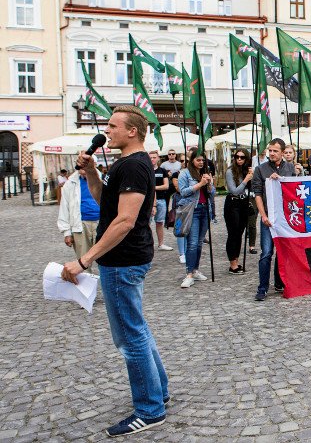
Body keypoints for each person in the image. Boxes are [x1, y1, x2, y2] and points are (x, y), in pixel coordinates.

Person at [60, 105, 168, 436]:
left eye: (113, 125)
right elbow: (106, 202)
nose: (107, 131)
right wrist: (92, 172)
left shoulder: (134, 165)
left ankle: (150, 409)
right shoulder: (125, 163)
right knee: (137, 328)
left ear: (132, 131)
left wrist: (84, 259)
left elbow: (125, 220)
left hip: (123, 260)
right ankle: (159, 391)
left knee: (129, 336)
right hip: (123, 259)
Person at [251, 138, 294, 301]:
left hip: (284, 218)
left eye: (275, 151)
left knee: (283, 252)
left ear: (282, 152)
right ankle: (262, 288)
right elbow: (257, 194)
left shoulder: (290, 168)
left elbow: (293, 189)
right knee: (267, 252)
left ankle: (279, 282)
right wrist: (263, 215)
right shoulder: (260, 169)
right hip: (268, 217)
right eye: (270, 150)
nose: (272, 153)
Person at [177, 149, 214, 288]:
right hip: (192, 209)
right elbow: (183, 192)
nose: (201, 162)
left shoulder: (205, 173)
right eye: (198, 160)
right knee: (192, 243)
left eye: (203, 160)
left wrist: (210, 184)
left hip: (205, 209)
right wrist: (200, 184)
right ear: (192, 160)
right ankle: (189, 274)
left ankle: (195, 270)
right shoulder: (185, 173)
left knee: (199, 243)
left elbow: (212, 192)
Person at [57, 166, 101, 273]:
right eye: (80, 165)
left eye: (85, 164)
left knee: (106, 260)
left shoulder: (103, 179)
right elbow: (64, 207)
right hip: (80, 225)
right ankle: (86, 283)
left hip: (101, 223)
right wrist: (67, 232)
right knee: (82, 263)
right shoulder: (70, 183)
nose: (82, 167)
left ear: (93, 164)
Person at [224, 148, 252, 275]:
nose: (239, 159)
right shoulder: (230, 171)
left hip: (243, 203)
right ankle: (232, 264)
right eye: (237, 157)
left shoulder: (246, 171)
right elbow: (234, 191)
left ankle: (236, 259)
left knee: (240, 233)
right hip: (233, 203)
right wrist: (246, 180)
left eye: (242, 157)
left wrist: (251, 177)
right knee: (233, 233)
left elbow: (251, 188)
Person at [150, 151, 172, 251]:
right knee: (147, 224)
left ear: (158, 158)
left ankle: (161, 244)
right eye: (150, 157)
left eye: (154, 157)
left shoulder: (162, 171)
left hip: (161, 199)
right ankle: (148, 244)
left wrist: (153, 187)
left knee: (160, 222)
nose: (152, 159)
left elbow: (166, 186)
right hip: (149, 201)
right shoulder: (146, 170)